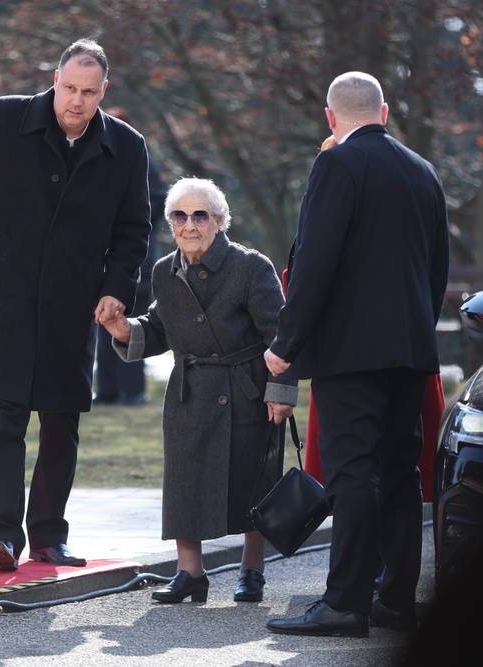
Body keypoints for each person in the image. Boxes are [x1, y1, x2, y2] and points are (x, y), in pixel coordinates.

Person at [0, 39, 150, 570]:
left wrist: (116, 289)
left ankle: (48, 536)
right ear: (55, 80)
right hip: (5, 292)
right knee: (5, 414)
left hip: (74, 302)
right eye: (69, 88)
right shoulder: (1, 118)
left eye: (89, 92)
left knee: (61, 421)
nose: (77, 101)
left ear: (105, 91)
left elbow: (133, 231)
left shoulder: (127, 146)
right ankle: (2, 536)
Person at [264, 72, 449, 637]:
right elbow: (436, 268)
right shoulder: (423, 171)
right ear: (385, 112)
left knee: (352, 474)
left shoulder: (336, 166)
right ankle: (395, 599)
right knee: (399, 474)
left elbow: (313, 263)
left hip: (349, 353)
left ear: (330, 117)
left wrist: (286, 344)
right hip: (411, 349)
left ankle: (345, 601)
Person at [101, 177, 297, 603]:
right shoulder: (164, 270)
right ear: (170, 223)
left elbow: (280, 335)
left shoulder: (251, 266)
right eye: (180, 216)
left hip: (247, 390)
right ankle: (189, 573)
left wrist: (281, 391)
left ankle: (252, 570)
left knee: (253, 481)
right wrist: (124, 330)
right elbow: (159, 327)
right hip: (189, 391)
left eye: (200, 215)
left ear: (219, 220)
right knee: (184, 482)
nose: (189, 225)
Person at [93, 106, 166, 406]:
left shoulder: (140, 159)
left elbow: (157, 201)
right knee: (103, 322)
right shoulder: (97, 159)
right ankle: (107, 390)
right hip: (102, 259)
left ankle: (133, 390)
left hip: (136, 261)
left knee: (132, 323)